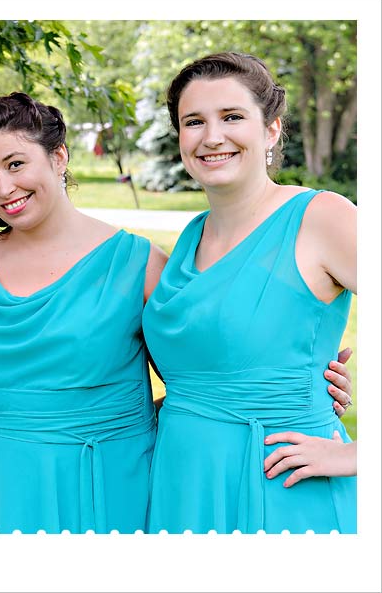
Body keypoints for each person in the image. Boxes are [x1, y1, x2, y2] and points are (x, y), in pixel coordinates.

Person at [0, 92, 354, 535]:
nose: (3, 188)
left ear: (58, 157)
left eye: (16, 164)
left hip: (103, 483)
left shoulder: (139, 264)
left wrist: (298, 389)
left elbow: (200, 376)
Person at [143, 52, 357, 534]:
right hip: (183, 480)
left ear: (272, 130)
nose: (212, 136)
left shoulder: (321, 218)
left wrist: (357, 454)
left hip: (280, 486)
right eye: (194, 121)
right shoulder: (190, 239)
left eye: (232, 117)